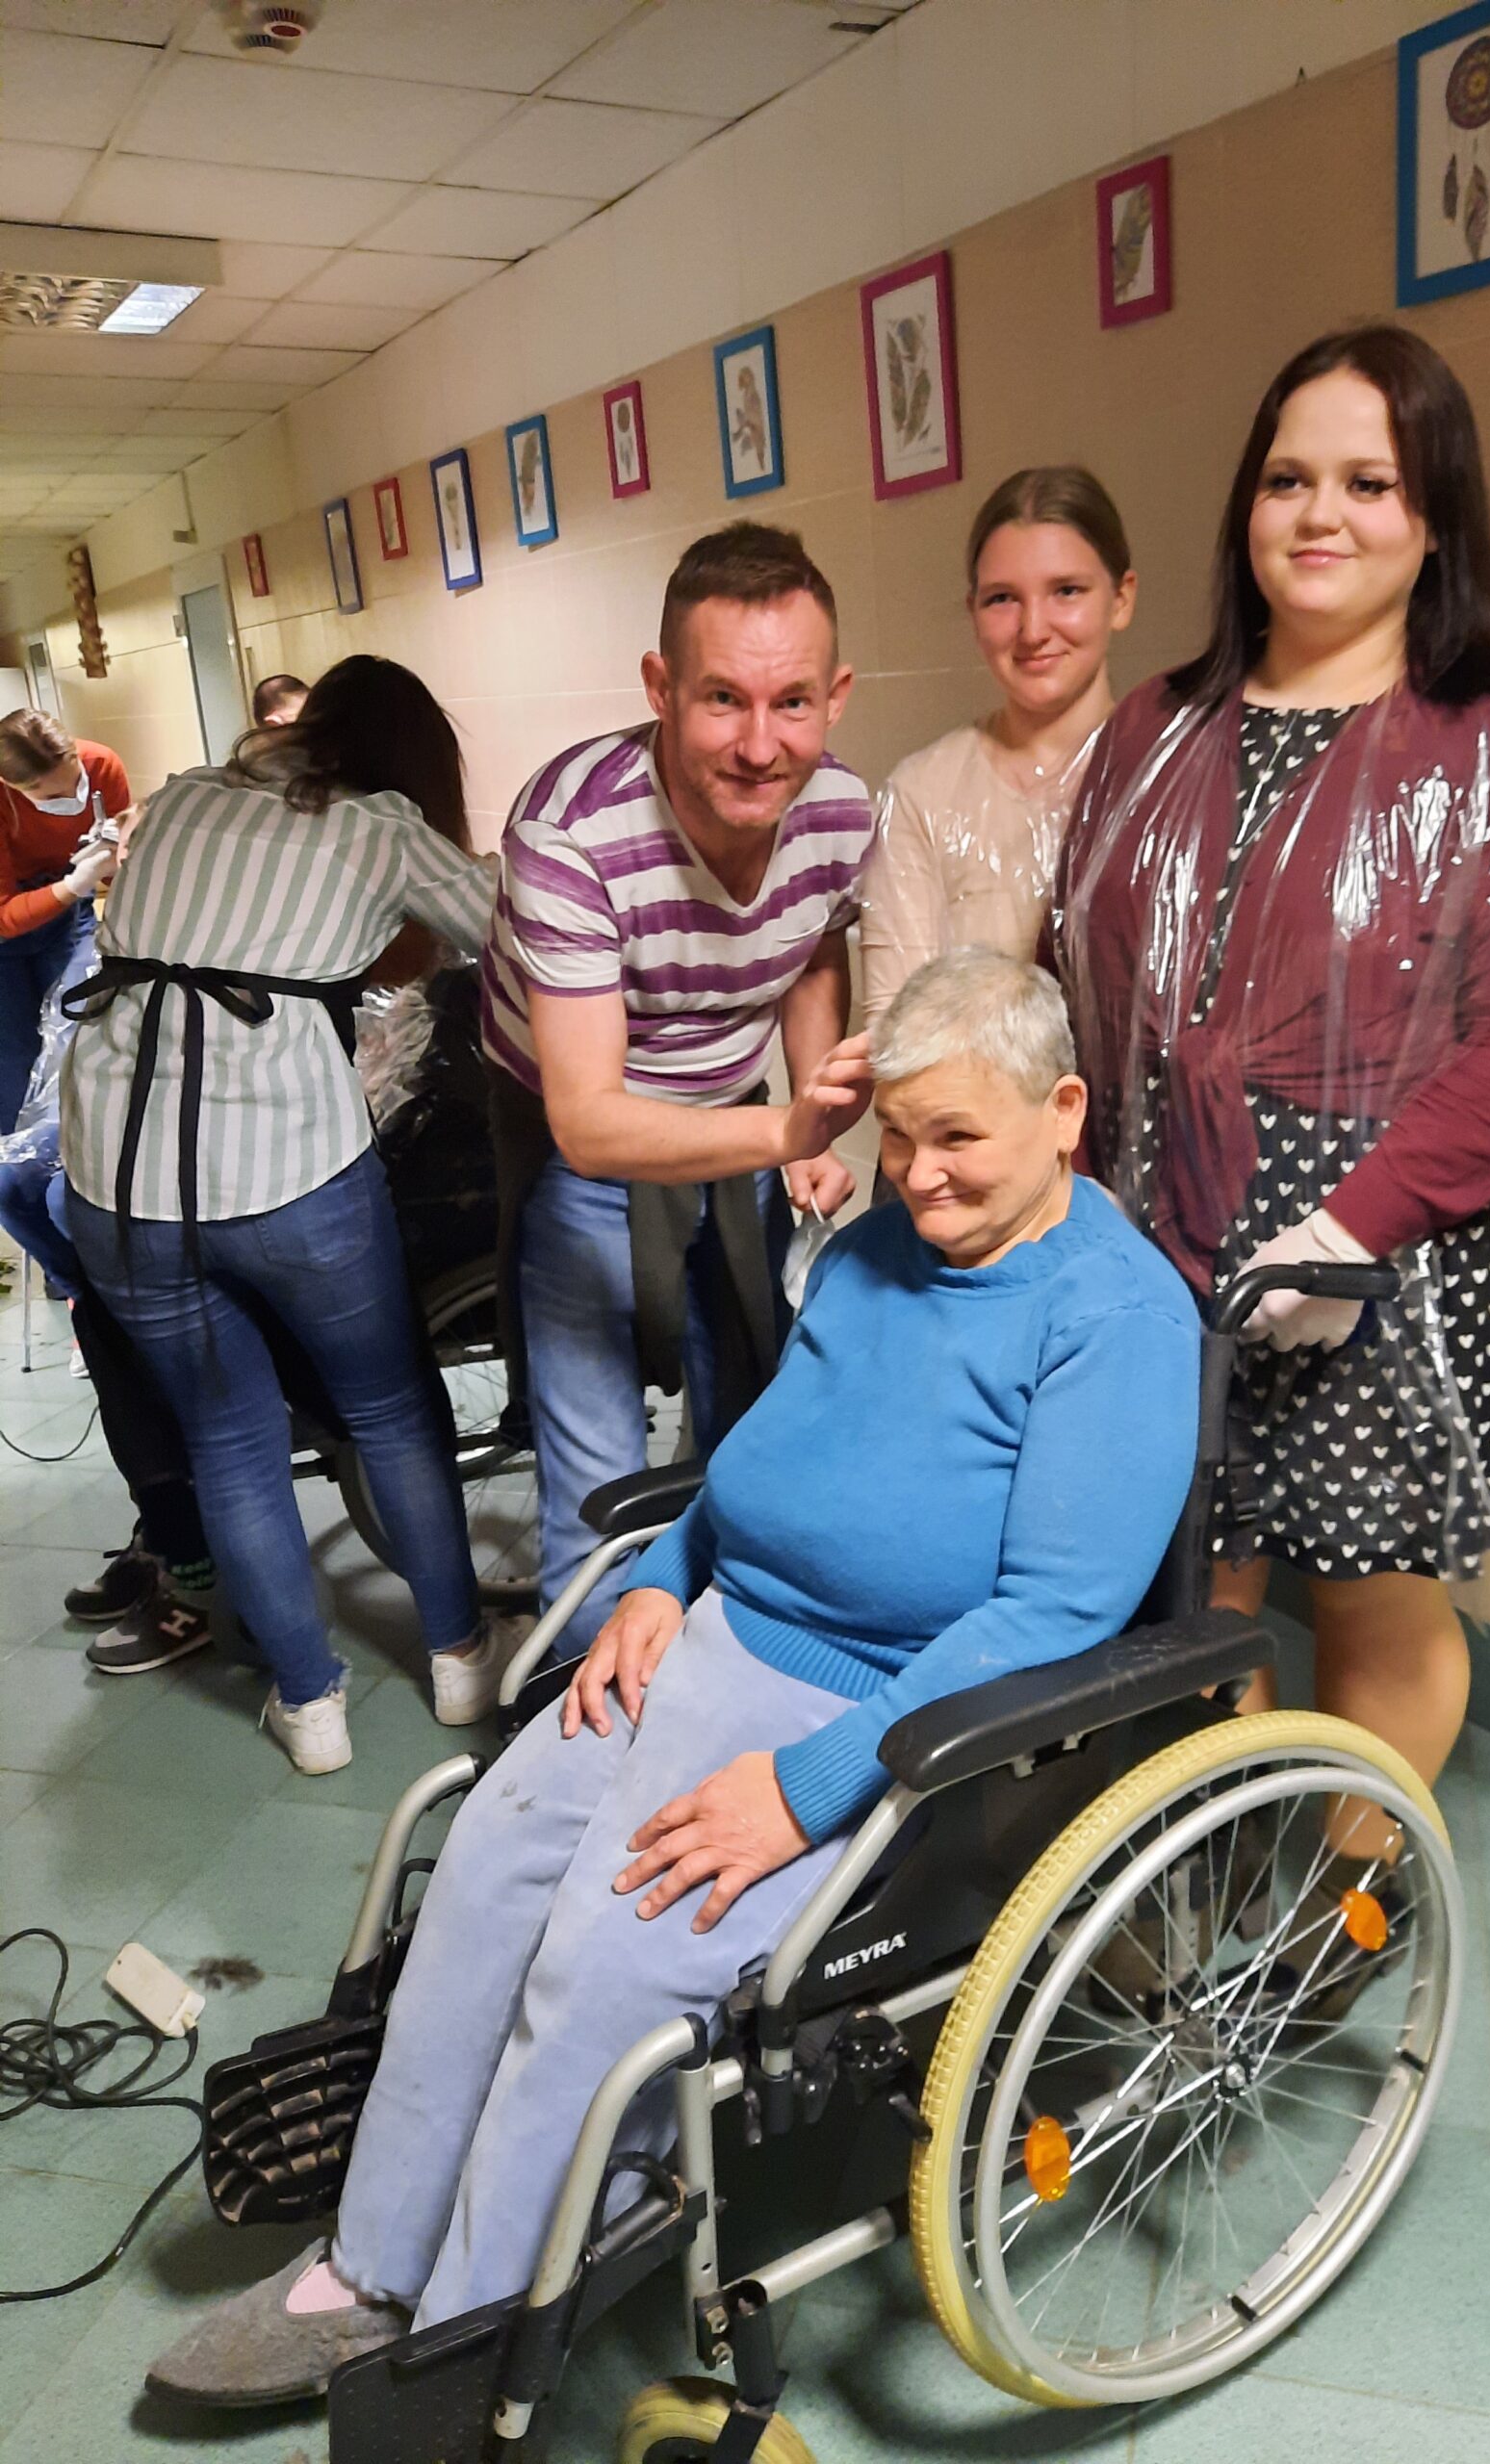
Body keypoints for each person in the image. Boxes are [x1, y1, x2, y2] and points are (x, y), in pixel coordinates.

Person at [144, 950, 1201, 2401]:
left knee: (607, 1960)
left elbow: (1052, 1614)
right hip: (709, 1641)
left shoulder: (1114, 1318)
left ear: (1063, 1110)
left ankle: (474, 2322)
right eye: (898, 1134)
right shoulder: (878, 1250)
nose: (917, 1173)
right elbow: (763, 1464)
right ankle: (371, 2262)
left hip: (886, 1724)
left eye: (958, 1136)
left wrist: (807, 1788)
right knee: (485, 1871)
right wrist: (661, 1577)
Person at [1053, 323, 1490, 1870]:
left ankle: (1352, 1889)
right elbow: (1084, 970)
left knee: (1370, 1588)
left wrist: (1350, 1230)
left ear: (1435, 518)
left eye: (1368, 482)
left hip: (1392, 1232)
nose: (1318, 515)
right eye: (1287, 479)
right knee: (1187, 1577)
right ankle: (1198, 1870)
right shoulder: (1154, 727)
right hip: (1167, 1207)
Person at [60, 655, 519, 1774]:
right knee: (390, 1409)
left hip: (118, 1172)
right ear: (411, 756)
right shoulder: (385, 827)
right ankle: (461, 1658)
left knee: (229, 1439)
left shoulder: (182, 798)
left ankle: (310, 1706)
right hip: (291, 1172)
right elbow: (514, 924)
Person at [479, 522, 874, 1659]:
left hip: (738, 1104)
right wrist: (788, 1126)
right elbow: (590, 1121)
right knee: (598, 1465)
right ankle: (575, 1702)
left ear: (836, 695)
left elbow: (815, 944)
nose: (759, 745)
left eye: (792, 703)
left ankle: (725, 1664)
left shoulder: (843, 812)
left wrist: (806, 1120)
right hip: (578, 1128)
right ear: (660, 687)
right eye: (722, 701)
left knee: (750, 1406)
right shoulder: (570, 831)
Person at [859, 466, 1136, 1022]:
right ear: (973, 614)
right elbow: (898, 1029)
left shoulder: (1171, 773)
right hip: (963, 1086)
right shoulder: (921, 796)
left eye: (1067, 591)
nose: (1033, 630)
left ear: (1121, 599)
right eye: (1003, 599)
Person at [0, 709, 130, 1132]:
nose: (71, 797)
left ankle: (79, 1145)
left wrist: (117, 857)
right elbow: (3, 917)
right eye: (52, 795)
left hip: (67, 914)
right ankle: (17, 1160)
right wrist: (75, 884)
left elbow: (119, 871)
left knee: (76, 1028)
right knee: (14, 1055)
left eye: (73, 782)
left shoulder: (100, 765)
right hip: (9, 925)